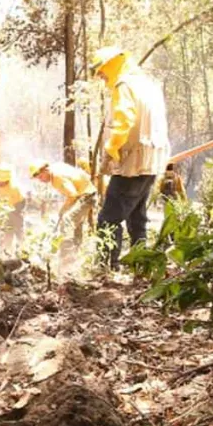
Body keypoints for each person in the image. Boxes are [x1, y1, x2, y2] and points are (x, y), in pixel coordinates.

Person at [91, 46, 170, 268]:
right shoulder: (148, 85)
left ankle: (106, 266)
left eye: (101, 71)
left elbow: (124, 119)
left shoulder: (123, 85)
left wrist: (112, 148)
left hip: (132, 163)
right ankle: (141, 264)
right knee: (137, 217)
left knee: (108, 219)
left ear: (111, 64)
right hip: (152, 160)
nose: (101, 76)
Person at [28, 160, 97, 249]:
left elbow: (72, 195)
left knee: (67, 220)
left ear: (45, 170)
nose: (41, 181)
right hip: (85, 193)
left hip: (86, 195)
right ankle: (76, 248)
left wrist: (63, 210)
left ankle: (65, 254)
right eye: (38, 179)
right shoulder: (56, 167)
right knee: (76, 222)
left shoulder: (57, 177)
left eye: (41, 177)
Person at [0, 164, 25, 254]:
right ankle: (6, 252)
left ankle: (23, 250)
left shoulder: (14, 189)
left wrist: (6, 213)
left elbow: (16, 206)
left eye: (2, 181)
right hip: (6, 208)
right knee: (6, 233)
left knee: (18, 230)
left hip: (16, 207)